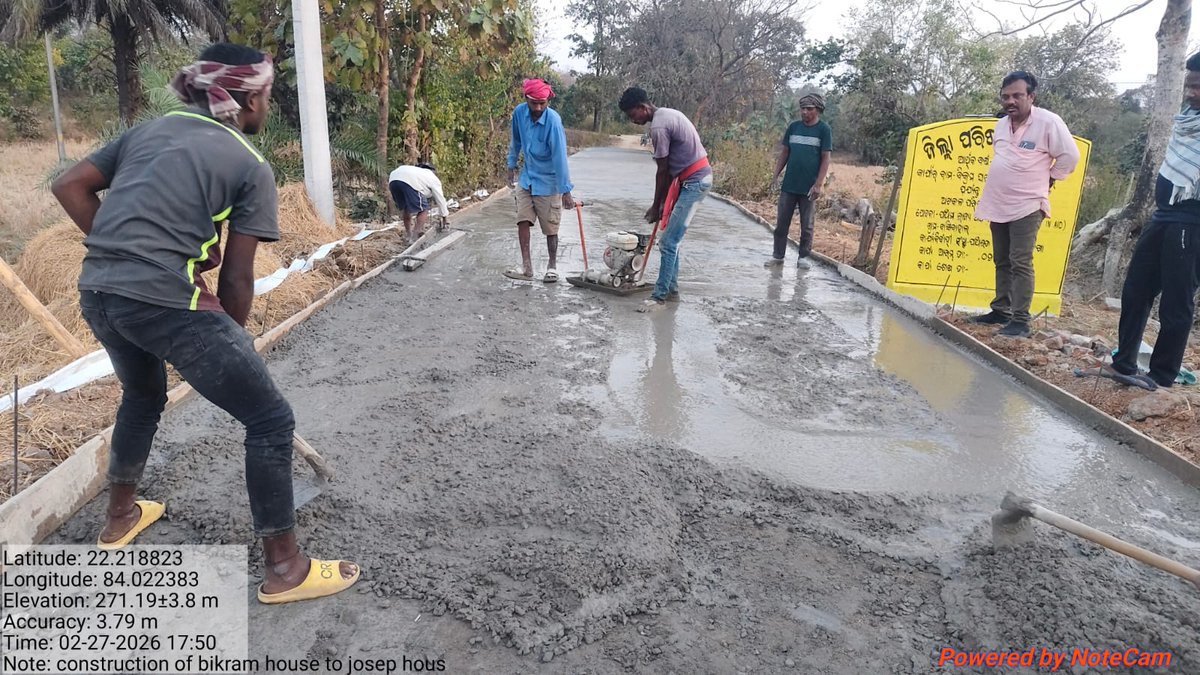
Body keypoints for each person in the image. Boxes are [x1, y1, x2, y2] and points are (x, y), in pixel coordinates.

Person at [50, 43, 359, 605]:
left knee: (143, 397)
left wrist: (119, 250)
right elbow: (238, 281)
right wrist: (231, 341)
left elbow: (68, 185)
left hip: (98, 290)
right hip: (165, 302)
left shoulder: (148, 130)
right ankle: (285, 568)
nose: (270, 105)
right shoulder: (248, 164)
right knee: (268, 417)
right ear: (245, 99)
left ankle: (119, 520)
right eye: (267, 95)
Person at [1105, 52, 1200, 390]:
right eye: (1189, 85)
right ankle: (1124, 363)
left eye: (1198, 87)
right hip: (1163, 216)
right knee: (1135, 290)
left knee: (1176, 301)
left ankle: (1161, 376)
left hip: (1192, 222)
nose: (1190, 93)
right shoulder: (1187, 120)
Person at [971, 70, 1080, 338]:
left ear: (1031, 96)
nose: (1011, 101)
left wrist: (1051, 178)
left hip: (1028, 204)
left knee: (1020, 260)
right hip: (998, 202)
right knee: (1002, 259)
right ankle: (1001, 310)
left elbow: (1070, 156)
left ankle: (1020, 320)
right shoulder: (1000, 125)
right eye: (1006, 96)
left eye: (1017, 95)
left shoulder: (1048, 122)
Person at [618, 87, 713, 312]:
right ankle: (672, 290)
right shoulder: (669, 113)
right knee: (673, 238)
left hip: (695, 181)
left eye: (633, 115)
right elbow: (670, 170)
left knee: (668, 242)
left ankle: (659, 297)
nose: (634, 121)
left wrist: (655, 205)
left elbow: (663, 171)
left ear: (643, 107)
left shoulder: (659, 127)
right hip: (688, 179)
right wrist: (663, 204)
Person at [504, 78, 576, 282]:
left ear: (548, 102)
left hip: (549, 180)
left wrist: (566, 191)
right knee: (522, 220)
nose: (538, 107)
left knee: (550, 227)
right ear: (526, 99)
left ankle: (551, 266)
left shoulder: (553, 121)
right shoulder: (519, 113)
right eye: (534, 103)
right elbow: (515, 140)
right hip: (528, 178)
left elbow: (560, 157)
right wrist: (511, 166)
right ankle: (527, 267)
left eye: (542, 103)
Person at [766, 93, 832, 268]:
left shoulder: (824, 130)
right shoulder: (793, 127)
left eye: (809, 109)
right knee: (781, 223)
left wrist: (819, 184)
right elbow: (785, 153)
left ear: (817, 110)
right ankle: (778, 256)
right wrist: (775, 175)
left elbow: (826, 158)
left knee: (807, 225)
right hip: (789, 185)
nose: (804, 112)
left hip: (809, 187)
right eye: (802, 108)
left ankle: (803, 257)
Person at [388, 162, 450, 242]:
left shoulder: (415, 171)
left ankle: (409, 235)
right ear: (433, 171)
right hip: (409, 182)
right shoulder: (432, 177)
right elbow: (440, 199)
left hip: (393, 180)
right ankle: (415, 237)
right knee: (424, 210)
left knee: (406, 208)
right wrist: (444, 218)